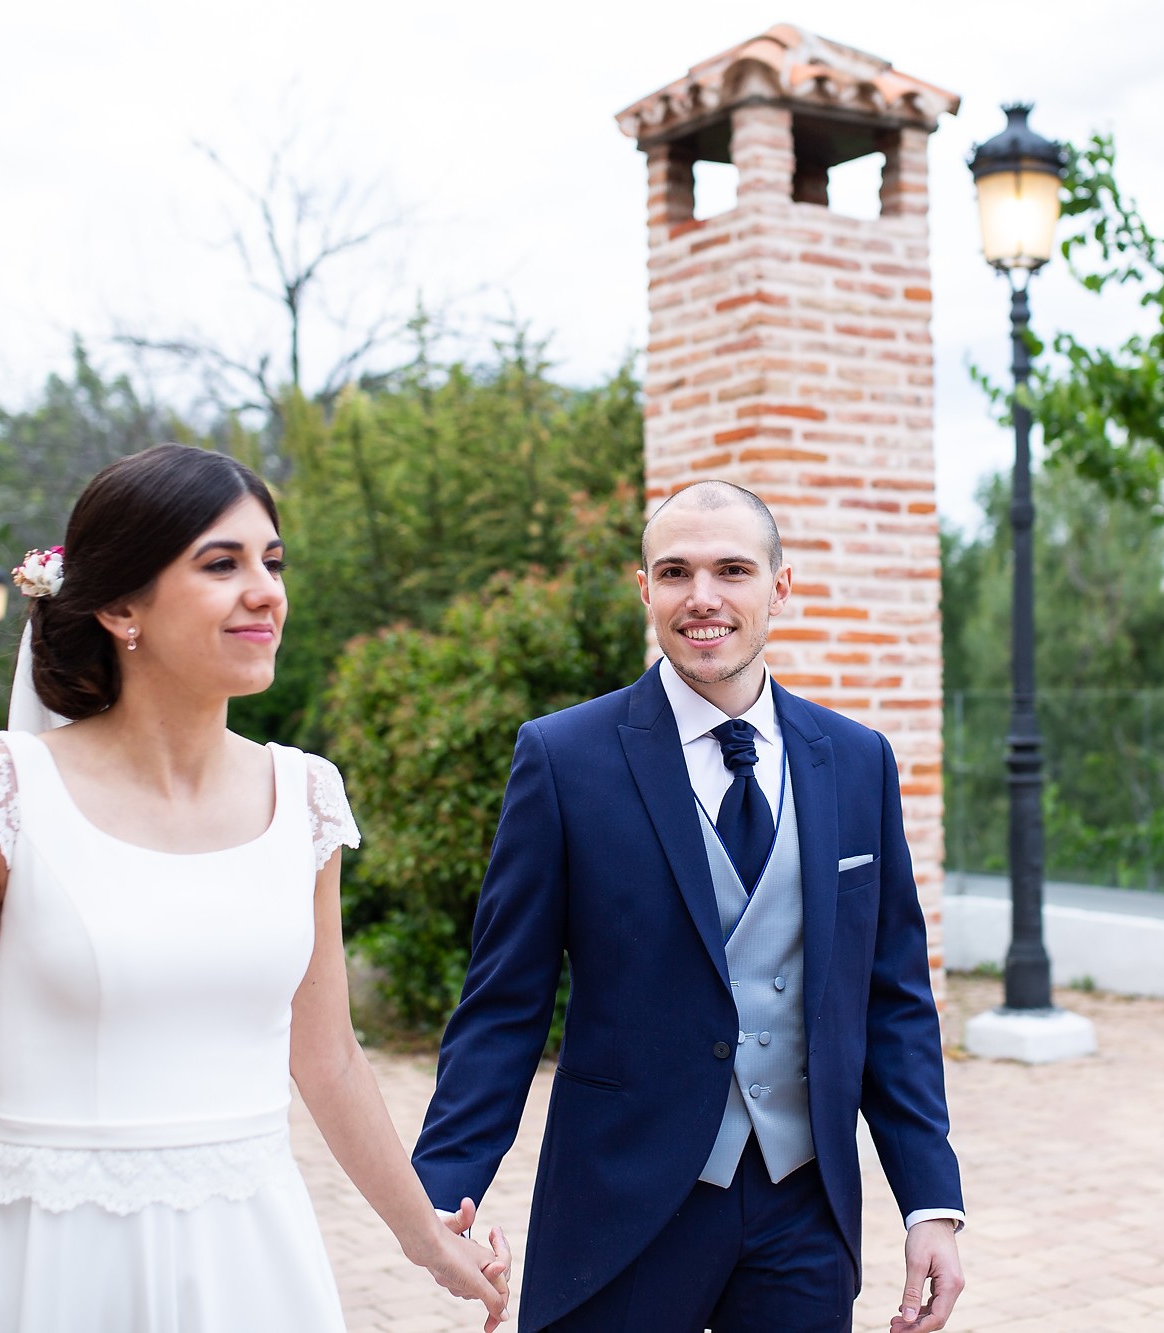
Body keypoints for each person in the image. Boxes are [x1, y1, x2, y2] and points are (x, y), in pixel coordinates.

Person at [0, 444, 510, 1333]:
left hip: (253, 1265)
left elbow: (327, 1056)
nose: (266, 590)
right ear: (120, 607)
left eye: (273, 560)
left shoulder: (306, 798)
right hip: (51, 1266)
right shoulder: (1, 793)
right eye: (222, 563)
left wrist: (428, 1238)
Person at [411, 479, 966, 1332]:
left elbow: (893, 1000)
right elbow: (504, 999)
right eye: (675, 572)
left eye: (732, 570)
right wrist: (446, 1184)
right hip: (621, 1204)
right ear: (645, 589)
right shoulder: (563, 759)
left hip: (804, 1210)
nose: (702, 597)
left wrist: (929, 1199)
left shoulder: (857, 761)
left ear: (780, 588)